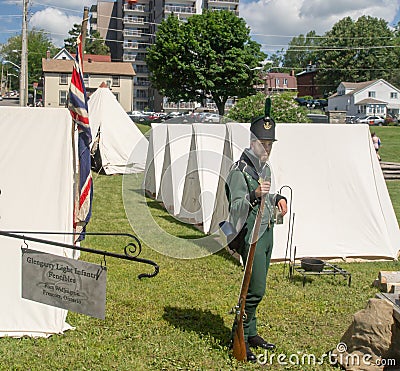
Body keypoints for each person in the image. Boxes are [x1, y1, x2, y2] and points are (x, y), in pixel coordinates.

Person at [225, 109, 287, 362]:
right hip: (250, 234)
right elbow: (235, 206)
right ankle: (237, 334)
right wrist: (254, 195)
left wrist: (277, 197)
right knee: (255, 290)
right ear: (253, 143)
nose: (268, 148)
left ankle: (250, 333)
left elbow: (266, 196)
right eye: (264, 144)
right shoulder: (239, 172)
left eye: (270, 143)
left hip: (267, 230)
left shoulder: (265, 168)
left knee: (257, 285)